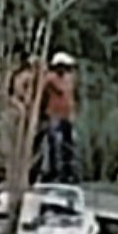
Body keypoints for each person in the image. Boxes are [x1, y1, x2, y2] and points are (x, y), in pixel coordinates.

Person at [39, 51, 81, 183]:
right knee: (54, 144)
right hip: (54, 115)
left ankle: (68, 171)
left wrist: (73, 112)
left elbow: (71, 97)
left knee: (68, 145)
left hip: (66, 116)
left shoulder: (69, 79)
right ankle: (54, 171)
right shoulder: (50, 79)